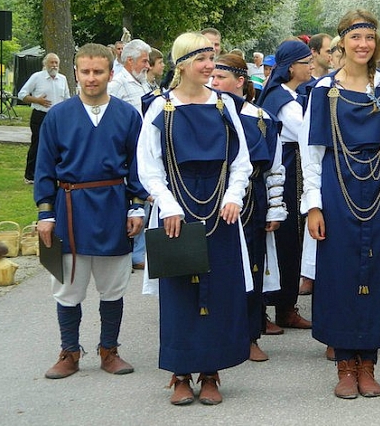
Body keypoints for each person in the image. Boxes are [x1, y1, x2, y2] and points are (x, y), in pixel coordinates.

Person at [302, 9, 380, 399]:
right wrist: (313, 206)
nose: (363, 45)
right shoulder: (322, 90)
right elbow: (312, 154)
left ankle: (369, 364)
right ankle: (345, 365)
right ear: (342, 42)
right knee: (339, 272)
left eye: (369, 38)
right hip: (338, 184)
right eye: (355, 38)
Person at [137, 32, 252, 406]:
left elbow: (241, 160)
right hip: (178, 209)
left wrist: (234, 196)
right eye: (202, 60)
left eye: (212, 60)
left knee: (218, 291)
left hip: (219, 209)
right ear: (182, 63)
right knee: (180, 293)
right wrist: (168, 205)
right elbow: (149, 166)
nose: (209, 67)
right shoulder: (161, 108)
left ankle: (212, 371)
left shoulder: (224, 106)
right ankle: (181, 372)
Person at [34, 43, 147, 380]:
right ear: (76, 73)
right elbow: (44, 169)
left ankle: (109, 350)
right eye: (85, 71)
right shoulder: (58, 116)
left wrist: (137, 207)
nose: (91, 78)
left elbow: (138, 168)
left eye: (98, 71)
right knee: (68, 287)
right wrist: (45, 213)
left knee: (113, 286)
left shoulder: (127, 116)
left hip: (113, 207)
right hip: (70, 209)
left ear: (111, 74)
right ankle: (69, 351)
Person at [210, 52, 287, 363]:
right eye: (211, 77)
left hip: (252, 199)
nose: (213, 83)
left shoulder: (262, 119)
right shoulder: (207, 112)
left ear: (239, 81)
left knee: (252, 267)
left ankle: (251, 335)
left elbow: (275, 167)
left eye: (220, 78)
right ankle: (218, 336)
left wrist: (275, 208)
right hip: (213, 198)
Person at [257, 40, 314, 332]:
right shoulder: (282, 100)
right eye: (306, 62)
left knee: (293, 239)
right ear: (292, 66)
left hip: (295, 170)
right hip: (287, 172)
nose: (311, 66)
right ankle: (275, 306)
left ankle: (286, 305)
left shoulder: (291, 94)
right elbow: (305, 131)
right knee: (284, 239)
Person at [107, 38, 153, 270]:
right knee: (134, 201)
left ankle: (138, 252)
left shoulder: (142, 83)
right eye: (144, 61)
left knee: (143, 201)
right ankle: (132, 253)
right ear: (130, 61)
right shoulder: (117, 83)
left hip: (143, 151)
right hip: (126, 151)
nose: (148, 65)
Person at [18, 53, 70, 184]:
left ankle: (57, 174)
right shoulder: (37, 77)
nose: (54, 66)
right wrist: (37, 100)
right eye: (51, 63)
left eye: (56, 63)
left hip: (58, 117)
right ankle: (30, 175)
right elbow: (22, 94)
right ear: (45, 64)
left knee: (59, 145)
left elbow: (67, 98)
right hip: (40, 115)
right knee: (38, 144)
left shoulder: (62, 79)